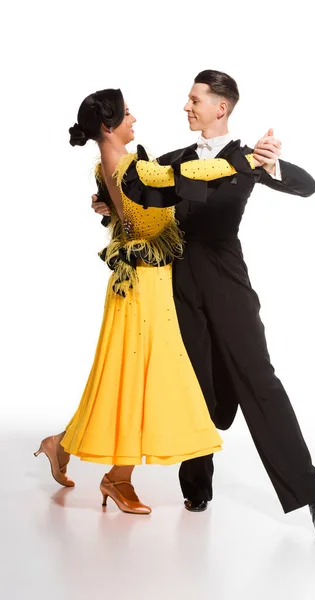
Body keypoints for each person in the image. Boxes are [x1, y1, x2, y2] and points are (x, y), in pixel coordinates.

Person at [92, 72, 315, 540]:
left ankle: (313, 494)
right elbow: (132, 184)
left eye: (194, 100)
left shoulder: (245, 160)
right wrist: (105, 202)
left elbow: (307, 186)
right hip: (177, 288)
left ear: (220, 108)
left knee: (260, 383)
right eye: (188, 99)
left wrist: (272, 165)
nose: (186, 106)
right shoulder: (176, 160)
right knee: (194, 386)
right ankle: (197, 485)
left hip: (227, 284)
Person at [34, 87, 261, 515]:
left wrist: (109, 210)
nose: (133, 117)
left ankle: (66, 449)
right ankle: (115, 477)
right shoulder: (127, 167)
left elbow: (129, 211)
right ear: (108, 125)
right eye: (126, 113)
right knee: (132, 378)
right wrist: (247, 160)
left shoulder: (116, 162)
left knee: (133, 378)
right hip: (141, 285)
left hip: (154, 281)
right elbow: (181, 177)